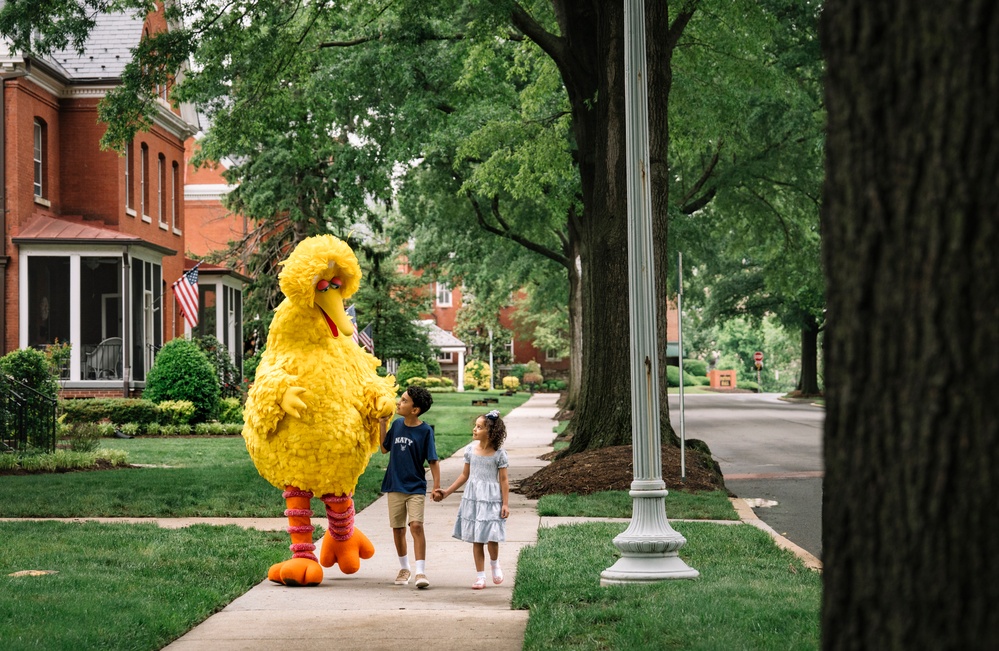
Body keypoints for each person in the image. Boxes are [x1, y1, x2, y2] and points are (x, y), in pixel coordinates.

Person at [434, 409, 509, 589]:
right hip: (474, 498)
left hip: (491, 499)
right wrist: (447, 492)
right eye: (475, 426)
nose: (474, 429)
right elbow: (464, 475)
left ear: (490, 432)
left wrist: (505, 503)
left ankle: (494, 563)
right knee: (477, 538)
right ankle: (480, 576)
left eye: (479, 427)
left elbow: (504, 480)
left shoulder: (499, 454)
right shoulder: (470, 450)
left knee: (491, 536)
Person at [380, 386, 440, 589]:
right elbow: (383, 448)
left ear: (415, 410)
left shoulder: (425, 431)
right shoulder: (396, 425)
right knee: (397, 529)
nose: (399, 402)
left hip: (415, 486)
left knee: (416, 526)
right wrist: (382, 424)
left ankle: (420, 571)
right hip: (394, 484)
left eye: (404, 400)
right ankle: (404, 568)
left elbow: (433, 460)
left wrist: (436, 486)